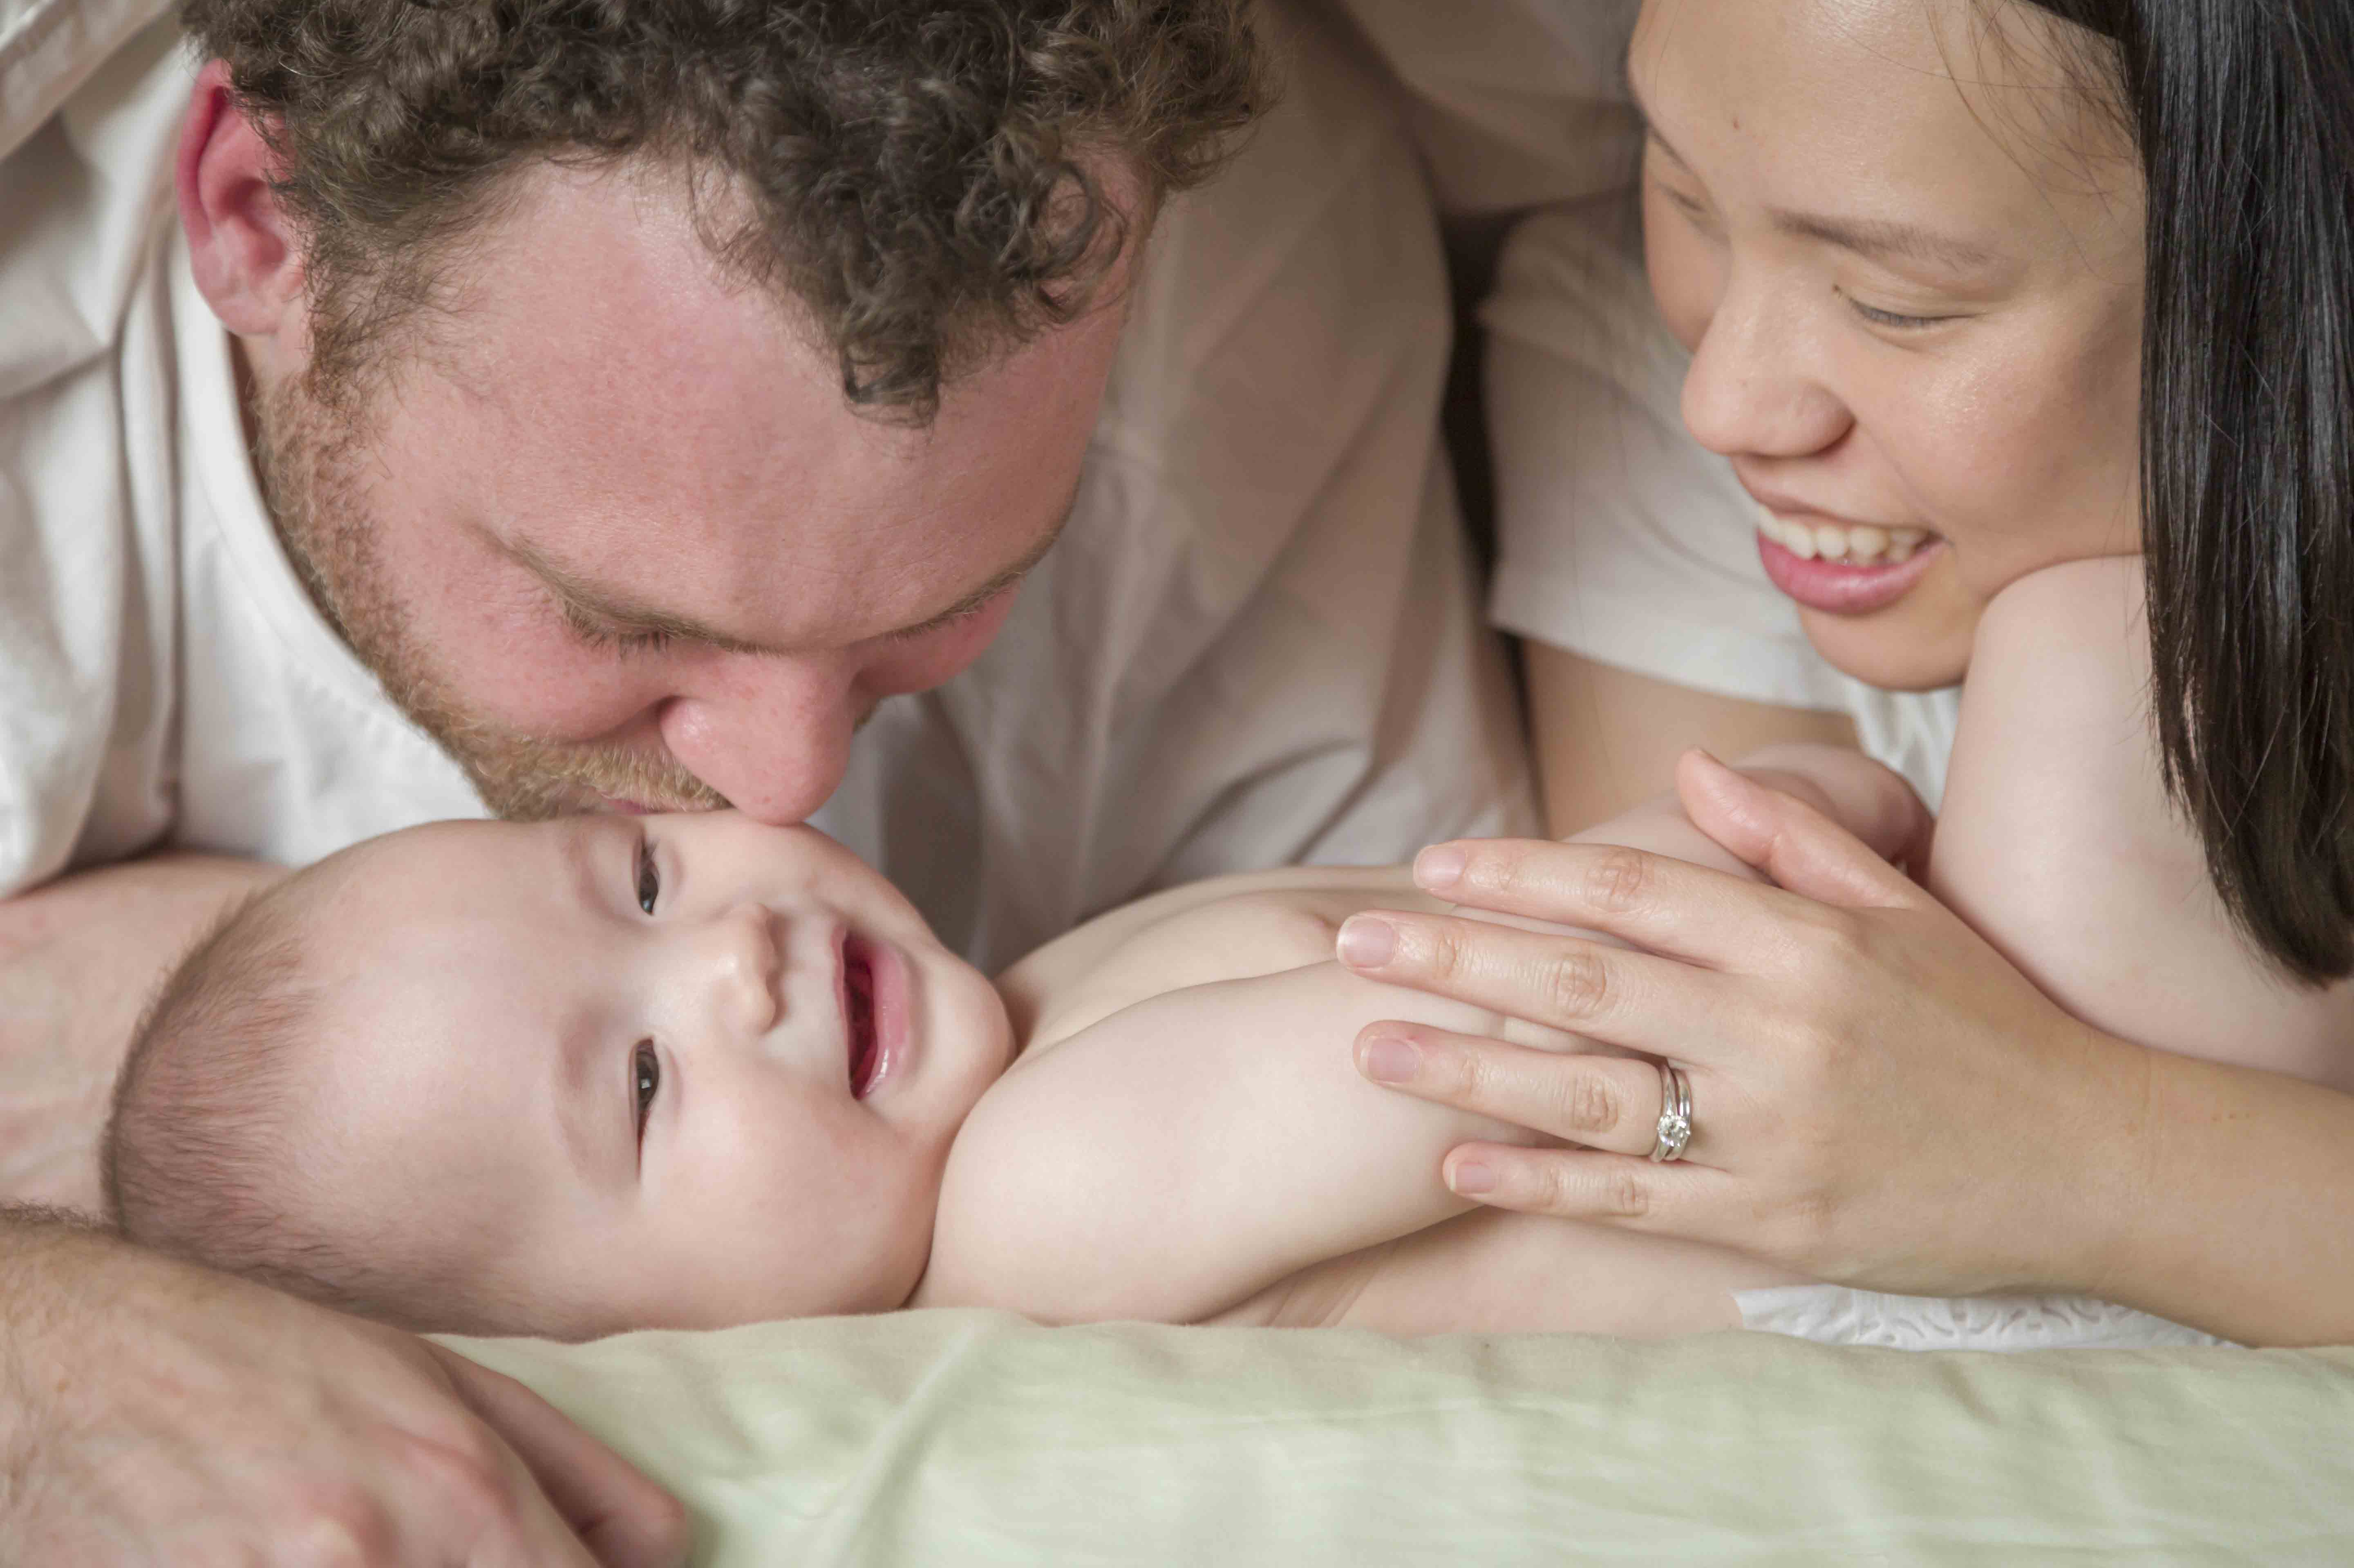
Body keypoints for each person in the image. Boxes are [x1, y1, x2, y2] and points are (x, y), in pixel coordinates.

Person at [0, 0, 1566, 1556]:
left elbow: (1515, 1085)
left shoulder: (1225, 316)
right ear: (261, 219)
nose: (781, 790)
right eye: (629, 621)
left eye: (944, 609)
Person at [1340, 0, 2354, 1349]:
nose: (1730, 406)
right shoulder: (1645, 381)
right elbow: (1762, 1153)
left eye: (1901, 304)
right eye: (1687, 195)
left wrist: (2085, 1148)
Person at [96, 727, 2216, 1348]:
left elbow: (1546, 935)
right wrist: (1768, 827)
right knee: (2089, 673)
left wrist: (1728, 829)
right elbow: (1512, 1020)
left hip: (1958, 1138)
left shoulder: (1054, 1004)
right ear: (640, 1351)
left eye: (643, 887)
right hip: (1976, 1276)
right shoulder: (1040, 1198)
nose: (725, 969)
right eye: (640, 1089)